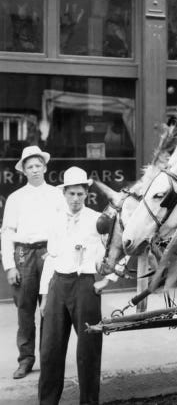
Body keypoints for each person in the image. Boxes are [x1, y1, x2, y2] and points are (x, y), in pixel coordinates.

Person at [38, 167, 107, 404]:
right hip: (58, 284)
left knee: (88, 350)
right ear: (64, 193)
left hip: (85, 286)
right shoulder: (55, 219)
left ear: (86, 193)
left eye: (80, 194)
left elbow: (106, 255)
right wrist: (44, 295)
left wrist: (106, 278)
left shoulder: (98, 219)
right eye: (71, 194)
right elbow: (51, 257)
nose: (75, 199)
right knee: (50, 350)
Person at [1, 146, 65, 379]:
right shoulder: (16, 198)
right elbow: (7, 232)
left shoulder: (58, 194)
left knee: (49, 309)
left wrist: (58, 255)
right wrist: (10, 266)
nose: (35, 170)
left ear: (45, 168)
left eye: (38, 166)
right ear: (24, 171)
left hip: (49, 253)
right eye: (30, 167)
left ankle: (48, 359)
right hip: (24, 256)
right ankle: (26, 359)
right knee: (25, 310)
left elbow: (63, 227)